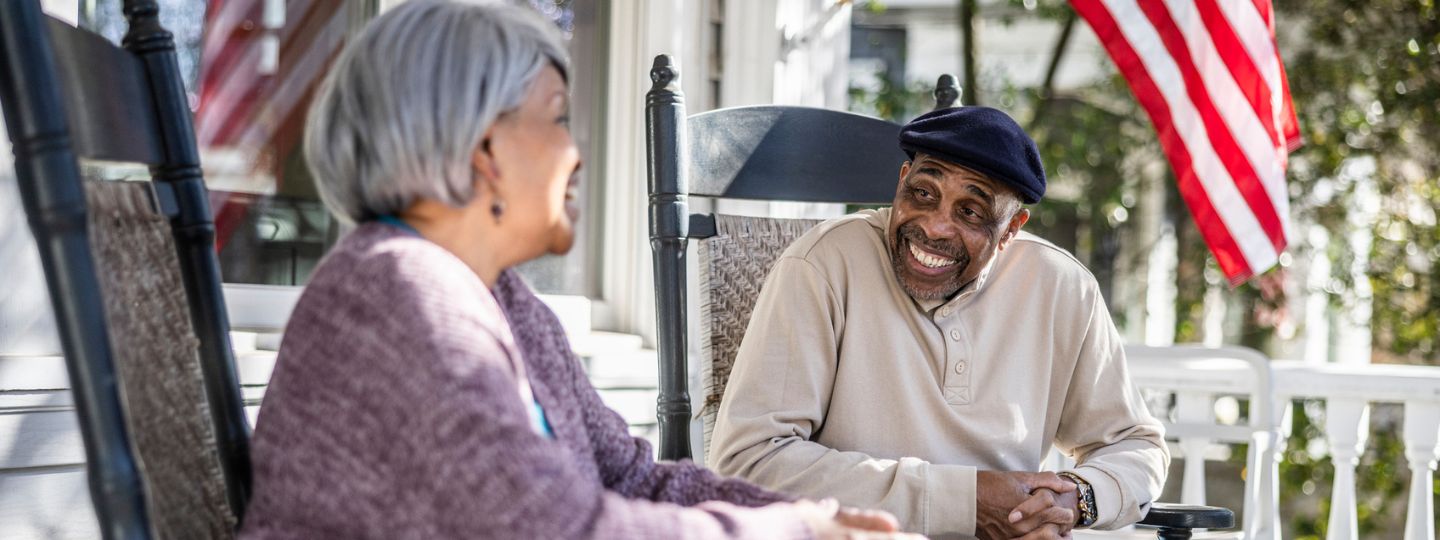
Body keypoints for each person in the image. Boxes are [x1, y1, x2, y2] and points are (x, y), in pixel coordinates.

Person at [240, 1, 921, 538]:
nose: (577, 150)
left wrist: (827, 521)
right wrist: (790, 532)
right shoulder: (392, 294)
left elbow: (629, 476)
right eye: (558, 118)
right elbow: (557, 530)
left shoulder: (501, 299)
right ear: (482, 146)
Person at [707, 106, 1169, 540]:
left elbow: (1136, 444)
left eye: (970, 212)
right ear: (902, 180)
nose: (934, 227)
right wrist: (964, 503)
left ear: (1012, 229)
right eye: (923, 194)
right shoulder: (823, 264)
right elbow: (749, 461)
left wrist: (1076, 497)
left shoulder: (1062, 288)